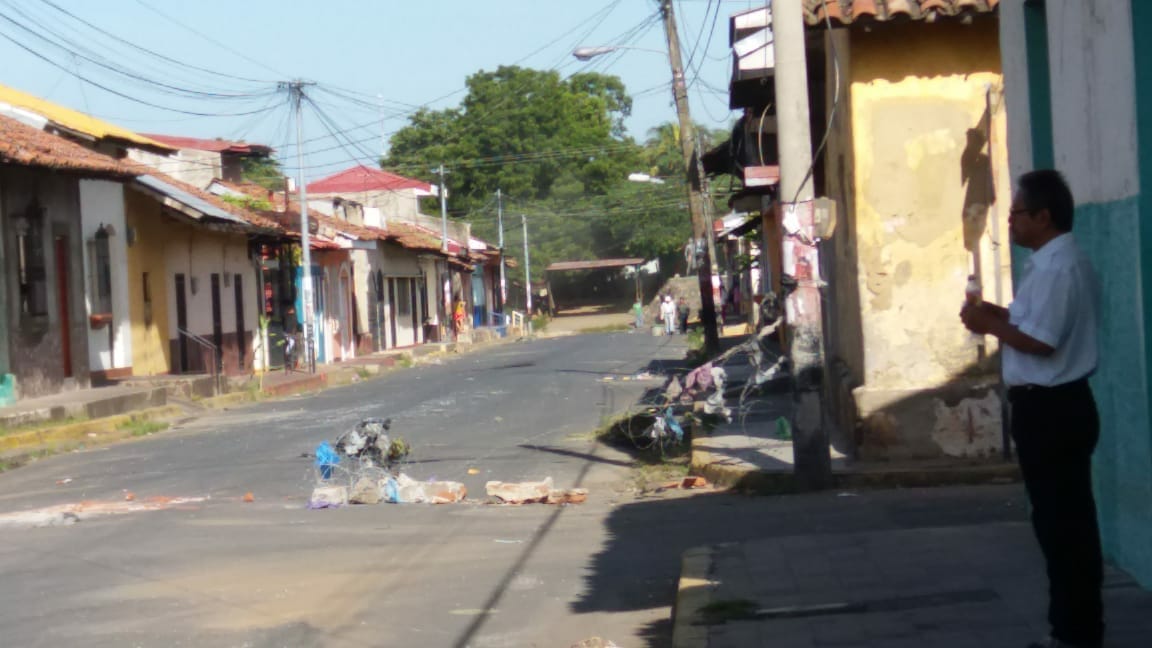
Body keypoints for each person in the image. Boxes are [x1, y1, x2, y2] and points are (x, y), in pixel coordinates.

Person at [960, 170, 1103, 648]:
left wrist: (991, 325)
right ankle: (1068, 628)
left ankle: (1077, 633)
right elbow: (1031, 323)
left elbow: (1042, 342)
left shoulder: (1061, 267)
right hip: (1046, 408)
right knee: (1056, 525)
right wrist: (995, 315)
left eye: (1018, 214)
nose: (1010, 223)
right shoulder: (1046, 265)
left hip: (1055, 409)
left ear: (1044, 217)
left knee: (1065, 529)